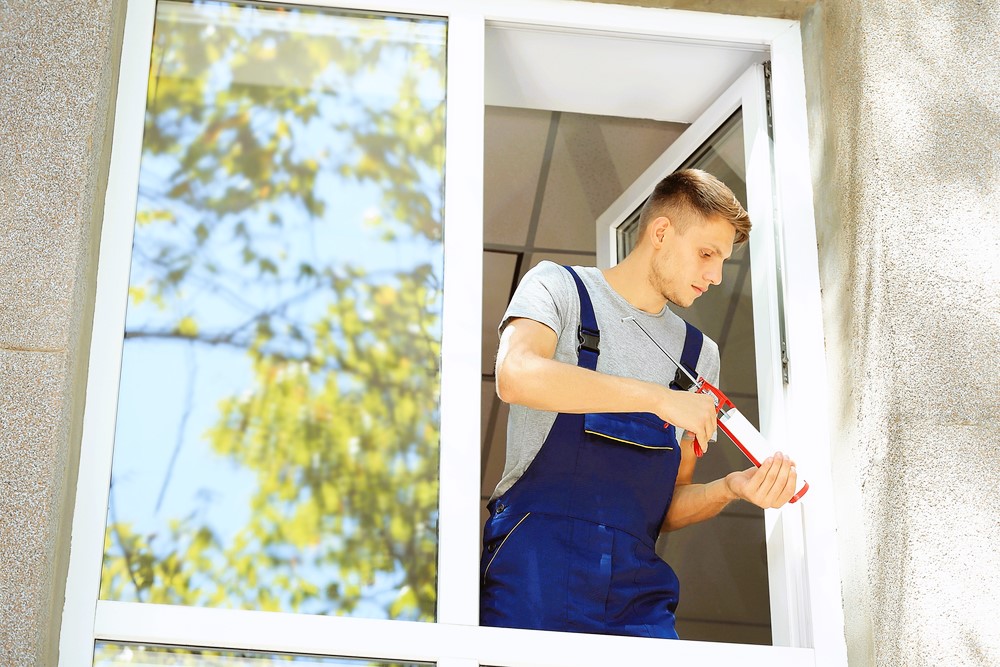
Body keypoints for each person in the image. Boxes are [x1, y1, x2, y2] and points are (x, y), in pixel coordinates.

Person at [480, 168, 798, 639]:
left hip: (637, 591)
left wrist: (732, 487)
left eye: (722, 262)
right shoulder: (560, 288)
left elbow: (664, 507)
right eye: (706, 254)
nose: (714, 276)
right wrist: (656, 399)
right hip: (537, 565)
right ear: (662, 232)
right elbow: (515, 374)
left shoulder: (698, 357)